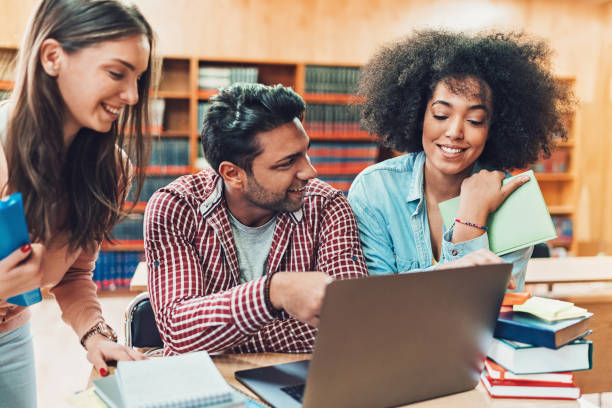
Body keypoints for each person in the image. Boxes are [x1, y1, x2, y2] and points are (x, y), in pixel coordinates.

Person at [0, 0, 156, 405]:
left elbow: (71, 275)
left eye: (138, 78)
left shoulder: (111, 170)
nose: (133, 95)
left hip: (9, 338)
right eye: (117, 73)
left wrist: (95, 336)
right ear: (53, 57)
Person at [144, 83, 370, 355]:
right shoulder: (175, 208)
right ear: (232, 174)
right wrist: (274, 292)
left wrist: (218, 337)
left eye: (305, 152)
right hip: (209, 388)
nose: (310, 171)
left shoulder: (328, 206)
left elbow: (348, 323)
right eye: (287, 163)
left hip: (301, 384)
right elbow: (179, 332)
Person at [348, 30, 574, 290]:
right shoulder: (376, 190)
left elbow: (488, 313)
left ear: (494, 127)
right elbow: (375, 302)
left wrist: (469, 222)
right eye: (441, 115)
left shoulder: (514, 202)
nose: (454, 132)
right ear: (418, 115)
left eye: (475, 120)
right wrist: (470, 221)